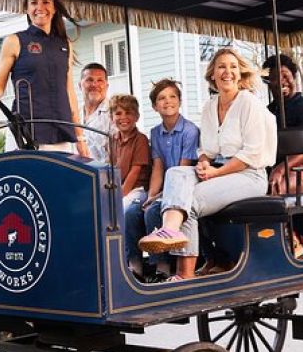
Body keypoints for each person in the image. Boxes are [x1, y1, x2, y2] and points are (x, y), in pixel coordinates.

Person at [138, 48, 277, 280]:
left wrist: (216, 172)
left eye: (233, 66)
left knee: (188, 200)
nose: (227, 71)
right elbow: (207, 151)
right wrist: (203, 164)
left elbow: (251, 154)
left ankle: (184, 276)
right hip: (219, 170)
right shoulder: (210, 107)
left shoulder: (249, 103)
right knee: (176, 174)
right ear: (212, 74)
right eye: (221, 66)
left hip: (249, 175)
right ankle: (170, 230)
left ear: (240, 73)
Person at [0, 0, 89, 156]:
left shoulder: (65, 43)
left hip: (60, 130)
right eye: (33, 3)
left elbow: (69, 92)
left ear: (54, 8)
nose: (40, 7)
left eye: (46, 2)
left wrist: (80, 137)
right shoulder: (15, 40)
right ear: (27, 9)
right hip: (26, 132)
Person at [125, 79, 199, 280]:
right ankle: (135, 264)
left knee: (152, 212)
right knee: (132, 211)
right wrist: (151, 195)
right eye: (162, 98)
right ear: (154, 106)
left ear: (180, 101)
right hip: (161, 187)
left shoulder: (189, 130)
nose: (168, 102)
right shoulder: (155, 133)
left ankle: (162, 266)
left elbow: (183, 170)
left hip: (183, 185)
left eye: (173, 97)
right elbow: (158, 167)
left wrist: (158, 198)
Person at [263, 54, 303, 195]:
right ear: (269, 83)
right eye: (274, 78)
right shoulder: (267, 111)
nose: (281, 81)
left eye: (285, 75)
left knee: (275, 188)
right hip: (273, 170)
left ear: (294, 77)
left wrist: (280, 169)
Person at [109, 94, 150, 209]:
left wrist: (119, 196)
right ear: (111, 117)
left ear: (137, 117)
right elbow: (111, 168)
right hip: (119, 188)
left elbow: (135, 172)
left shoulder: (140, 139)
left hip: (137, 190)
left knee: (121, 210)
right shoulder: (112, 140)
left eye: (128, 113)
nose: (123, 117)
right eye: (118, 113)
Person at [80, 63, 112, 162]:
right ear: (80, 85)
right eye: (89, 80)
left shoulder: (115, 114)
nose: (94, 85)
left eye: (100, 80)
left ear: (106, 86)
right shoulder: (73, 115)